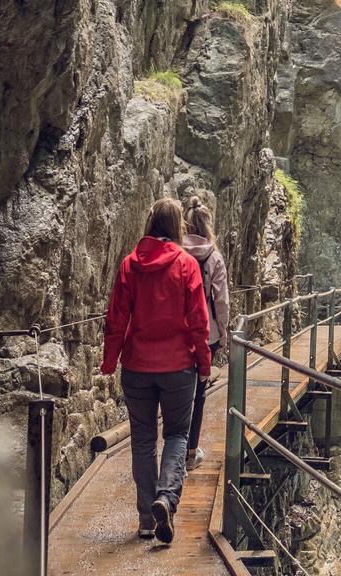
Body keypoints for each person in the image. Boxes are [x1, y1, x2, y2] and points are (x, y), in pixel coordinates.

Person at [101, 198, 212, 544]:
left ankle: (147, 519)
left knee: (144, 440)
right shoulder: (186, 264)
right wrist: (205, 363)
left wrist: (109, 361)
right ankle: (166, 498)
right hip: (179, 367)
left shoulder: (129, 265)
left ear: (150, 224)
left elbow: (116, 319)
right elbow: (198, 320)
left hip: (137, 367)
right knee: (177, 435)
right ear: (176, 226)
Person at [181, 197, 230, 472]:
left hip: (178, 333)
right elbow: (221, 301)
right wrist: (223, 334)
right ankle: (189, 452)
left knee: (177, 392)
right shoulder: (214, 257)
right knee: (199, 394)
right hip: (207, 334)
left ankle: (173, 449)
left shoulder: (176, 253)